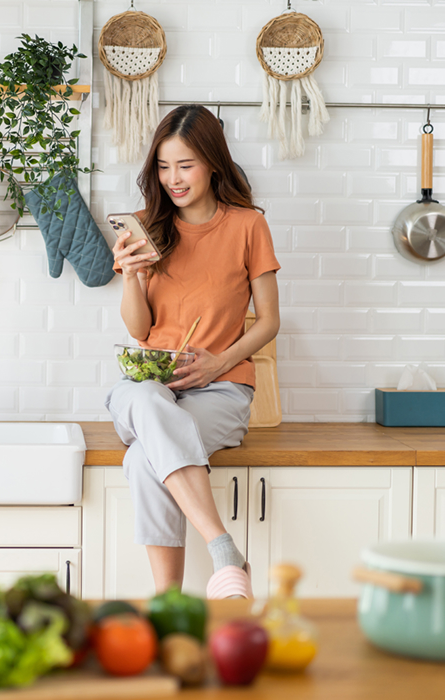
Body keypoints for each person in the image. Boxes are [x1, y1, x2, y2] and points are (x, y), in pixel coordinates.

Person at [105, 104, 281, 599]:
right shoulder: (144, 225)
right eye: (163, 167)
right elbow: (141, 329)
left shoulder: (248, 226)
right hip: (146, 384)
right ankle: (223, 547)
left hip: (220, 390)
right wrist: (133, 277)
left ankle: (167, 603)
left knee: (145, 459)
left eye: (184, 165)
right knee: (143, 400)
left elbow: (270, 320)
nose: (173, 179)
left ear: (212, 162)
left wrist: (219, 363)